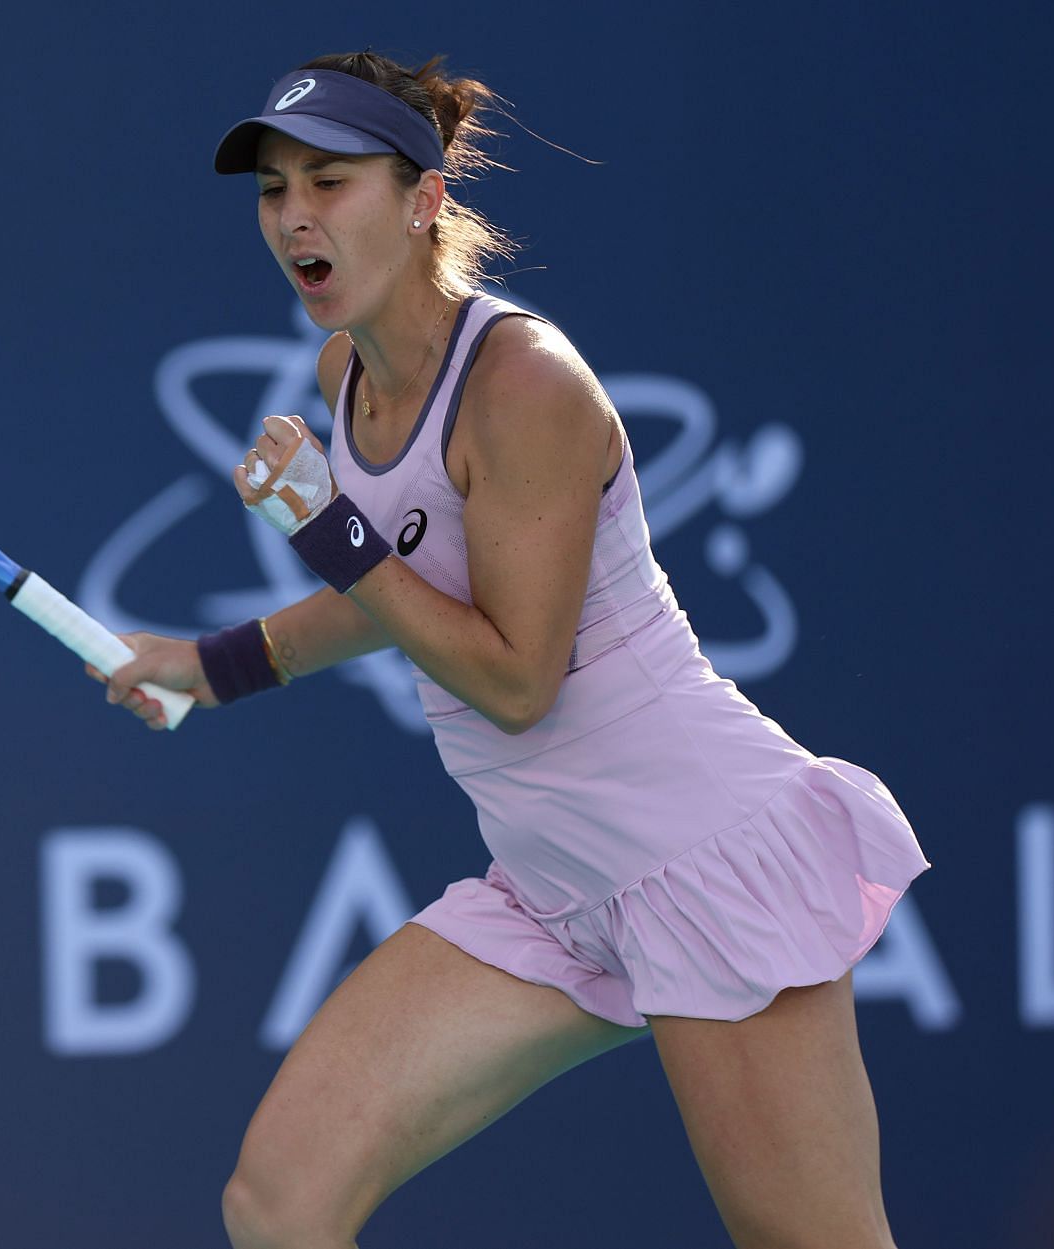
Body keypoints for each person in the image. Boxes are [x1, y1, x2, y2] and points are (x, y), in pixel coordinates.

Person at [95, 51, 930, 1249]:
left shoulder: (526, 386)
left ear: (423, 198)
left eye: (329, 182)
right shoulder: (348, 374)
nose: (294, 218)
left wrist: (329, 528)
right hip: (549, 890)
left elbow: (515, 680)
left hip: (701, 850)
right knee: (280, 1198)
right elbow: (405, 591)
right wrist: (212, 665)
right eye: (275, 190)